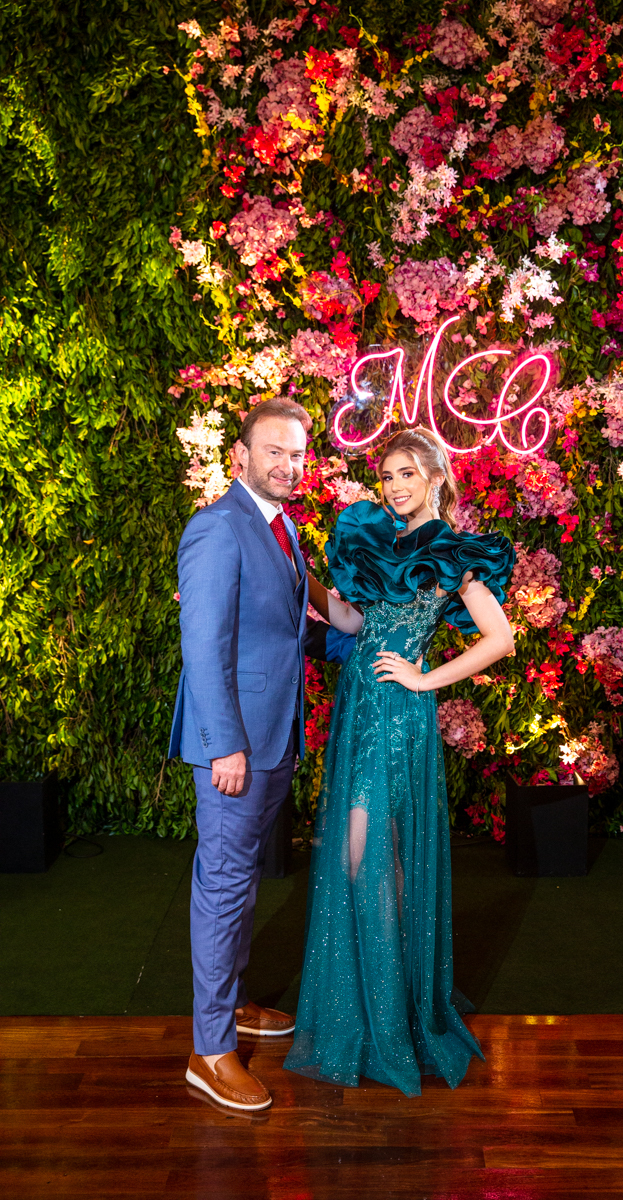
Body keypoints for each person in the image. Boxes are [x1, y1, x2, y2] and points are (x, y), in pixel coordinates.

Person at [283, 427, 516, 1096]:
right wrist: (299, 569)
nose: (394, 486)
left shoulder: (452, 551)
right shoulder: (378, 542)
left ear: (437, 477)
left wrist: (423, 680)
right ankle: (382, 1005)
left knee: (366, 854)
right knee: (371, 855)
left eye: (407, 473)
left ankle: (389, 1016)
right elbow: (353, 625)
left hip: (395, 713)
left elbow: (499, 638)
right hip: (360, 705)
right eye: (387, 476)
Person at [169, 396, 314, 1113]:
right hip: (236, 746)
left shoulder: (283, 529)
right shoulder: (217, 528)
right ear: (241, 456)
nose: (288, 465)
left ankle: (231, 1002)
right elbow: (203, 647)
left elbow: (287, 630)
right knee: (224, 886)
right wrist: (224, 743)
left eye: (297, 454)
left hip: (274, 736)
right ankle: (210, 1051)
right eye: (275, 451)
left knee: (242, 882)